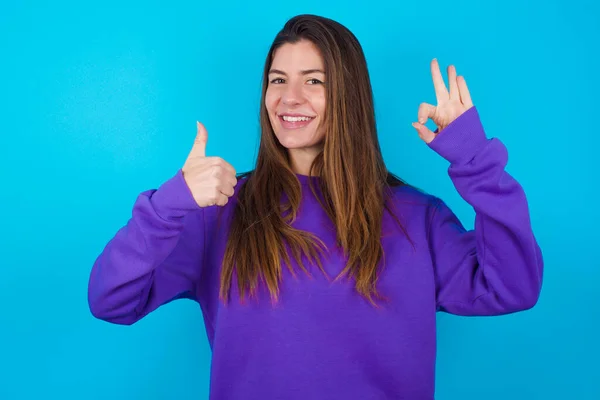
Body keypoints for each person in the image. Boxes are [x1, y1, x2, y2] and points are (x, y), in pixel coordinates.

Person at [87, 14, 544, 400]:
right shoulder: (218, 213)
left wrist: (475, 159)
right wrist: (168, 205)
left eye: (314, 82)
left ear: (348, 96)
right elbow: (111, 300)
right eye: (277, 81)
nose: (290, 98)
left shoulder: (417, 218)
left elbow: (513, 287)